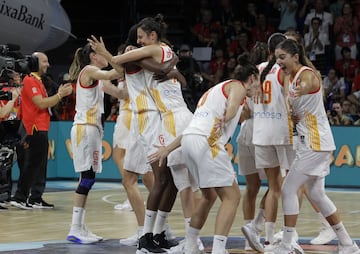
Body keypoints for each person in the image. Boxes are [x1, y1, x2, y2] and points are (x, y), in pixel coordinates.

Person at [88, 15, 191, 253]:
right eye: (135, 42)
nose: (138, 45)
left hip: (160, 117)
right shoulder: (134, 59)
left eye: (140, 40)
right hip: (147, 118)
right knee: (159, 178)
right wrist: (107, 53)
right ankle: (146, 236)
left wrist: (173, 60)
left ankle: (157, 233)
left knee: (169, 179)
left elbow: (167, 69)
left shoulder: (151, 54)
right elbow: (121, 65)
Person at [148, 53, 260, 254]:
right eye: (258, 82)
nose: (258, 87)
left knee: (208, 196)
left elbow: (196, 127)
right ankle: (218, 250)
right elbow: (234, 105)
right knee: (232, 196)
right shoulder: (238, 86)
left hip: (190, 141)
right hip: (207, 141)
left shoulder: (215, 90)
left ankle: (190, 245)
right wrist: (228, 116)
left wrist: (168, 148)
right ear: (252, 77)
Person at [271, 38, 360, 254]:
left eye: (282, 57)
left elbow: (311, 83)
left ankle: (287, 245)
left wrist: (301, 90)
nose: (279, 62)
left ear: (295, 56)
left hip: (315, 142)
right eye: (276, 59)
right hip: (310, 142)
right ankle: (347, 244)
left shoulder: (307, 74)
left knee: (289, 188)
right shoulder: (289, 77)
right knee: (317, 194)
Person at [65, 43, 126, 244]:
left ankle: (80, 226)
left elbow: (120, 94)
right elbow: (115, 72)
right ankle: (75, 228)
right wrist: (113, 58)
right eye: (100, 53)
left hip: (92, 130)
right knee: (87, 179)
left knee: (88, 178)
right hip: (85, 128)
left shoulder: (97, 77)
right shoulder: (90, 70)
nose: (103, 57)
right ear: (93, 56)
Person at [241, 32, 292, 253]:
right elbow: (291, 99)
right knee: (291, 185)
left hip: (260, 133)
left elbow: (245, 103)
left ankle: (267, 236)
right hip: (281, 132)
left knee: (273, 187)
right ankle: (287, 236)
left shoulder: (257, 71)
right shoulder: (284, 70)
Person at [10, 52, 72, 210]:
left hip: (42, 126)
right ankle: (20, 197)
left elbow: (47, 103)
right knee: (32, 165)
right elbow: (41, 104)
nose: (48, 65)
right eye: (44, 61)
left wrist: (59, 96)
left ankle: (35, 198)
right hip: (34, 128)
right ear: (35, 62)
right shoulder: (30, 80)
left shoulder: (38, 81)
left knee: (39, 165)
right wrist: (60, 94)